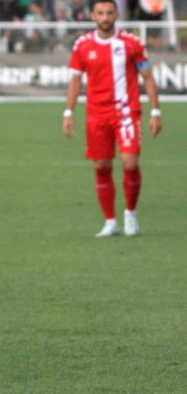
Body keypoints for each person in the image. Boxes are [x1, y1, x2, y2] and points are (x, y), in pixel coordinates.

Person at [62, 0, 162, 237]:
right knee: (102, 166)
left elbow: (148, 77)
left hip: (126, 112)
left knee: (130, 162)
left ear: (116, 14)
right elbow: (75, 80)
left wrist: (155, 111)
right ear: (93, 16)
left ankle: (131, 214)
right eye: (100, 13)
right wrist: (68, 112)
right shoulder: (82, 45)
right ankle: (110, 221)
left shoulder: (131, 43)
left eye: (109, 12)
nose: (105, 17)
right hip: (96, 114)